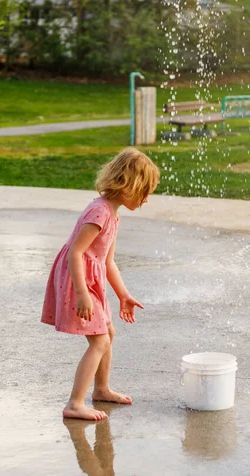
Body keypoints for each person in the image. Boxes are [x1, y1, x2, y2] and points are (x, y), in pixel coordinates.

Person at [41, 148, 159, 421]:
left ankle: (102, 389)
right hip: (78, 279)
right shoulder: (100, 213)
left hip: (90, 279)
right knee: (100, 341)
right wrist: (82, 293)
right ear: (129, 186)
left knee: (108, 333)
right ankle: (75, 403)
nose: (146, 199)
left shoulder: (113, 214)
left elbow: (108, 262)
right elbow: (75, 252)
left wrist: (123, 295)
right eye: (145, 192)